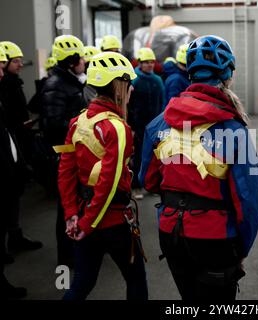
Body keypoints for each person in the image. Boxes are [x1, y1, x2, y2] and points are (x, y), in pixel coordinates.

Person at [138, 35, 258, 302]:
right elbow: (251, 199)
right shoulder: (234, 129)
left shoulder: (158, 124)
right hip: (215, 239)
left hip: (171, 234)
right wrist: (241, 247)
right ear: (228, 74)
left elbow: (147, 180)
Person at [56, 51, 148, 300]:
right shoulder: (118, 128)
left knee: (82, 283)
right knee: (136, 280)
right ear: (121, 86)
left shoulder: (78, 122)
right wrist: (86, 224)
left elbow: (65, 172)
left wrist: (72, 215)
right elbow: (108, 184)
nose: (131, 91)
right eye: (129, 85)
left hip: (85, 213)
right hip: (113, 221)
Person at [40, 34, 87, 267]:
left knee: (76, 203)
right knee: (66, 209)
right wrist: (83, 123)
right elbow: (52, 124)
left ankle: (78, 250)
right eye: (81, 58)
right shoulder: (56, 85)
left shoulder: (69, 82)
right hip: (62, 156)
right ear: (71, 61)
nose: (84, 62)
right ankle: (67, 259)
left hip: (71, 153)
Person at [0, 41, 43, 255]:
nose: (19, 65)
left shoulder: (14, 83)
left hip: (15, 143)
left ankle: (15, 237)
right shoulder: (6, 85)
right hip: (9, 144)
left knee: (14, 196)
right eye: (14, 61)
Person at [0, 46, 27, 300]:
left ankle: (14, 237)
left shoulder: (7, 87)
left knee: (11, 207)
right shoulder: (5, 88)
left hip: (10, 162)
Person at [127, 47, 165, 189]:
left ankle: (153, 183)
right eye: (146, 62)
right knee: (139, 155)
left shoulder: (158, 80)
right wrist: (131, 125)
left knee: (156, 155)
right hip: (139, 125)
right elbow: (129, 106)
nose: (150, 65)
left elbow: (163, 102)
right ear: (140, 63)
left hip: (155, 124)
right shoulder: (134, 80)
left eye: (152, 62)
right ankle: (136, 184)